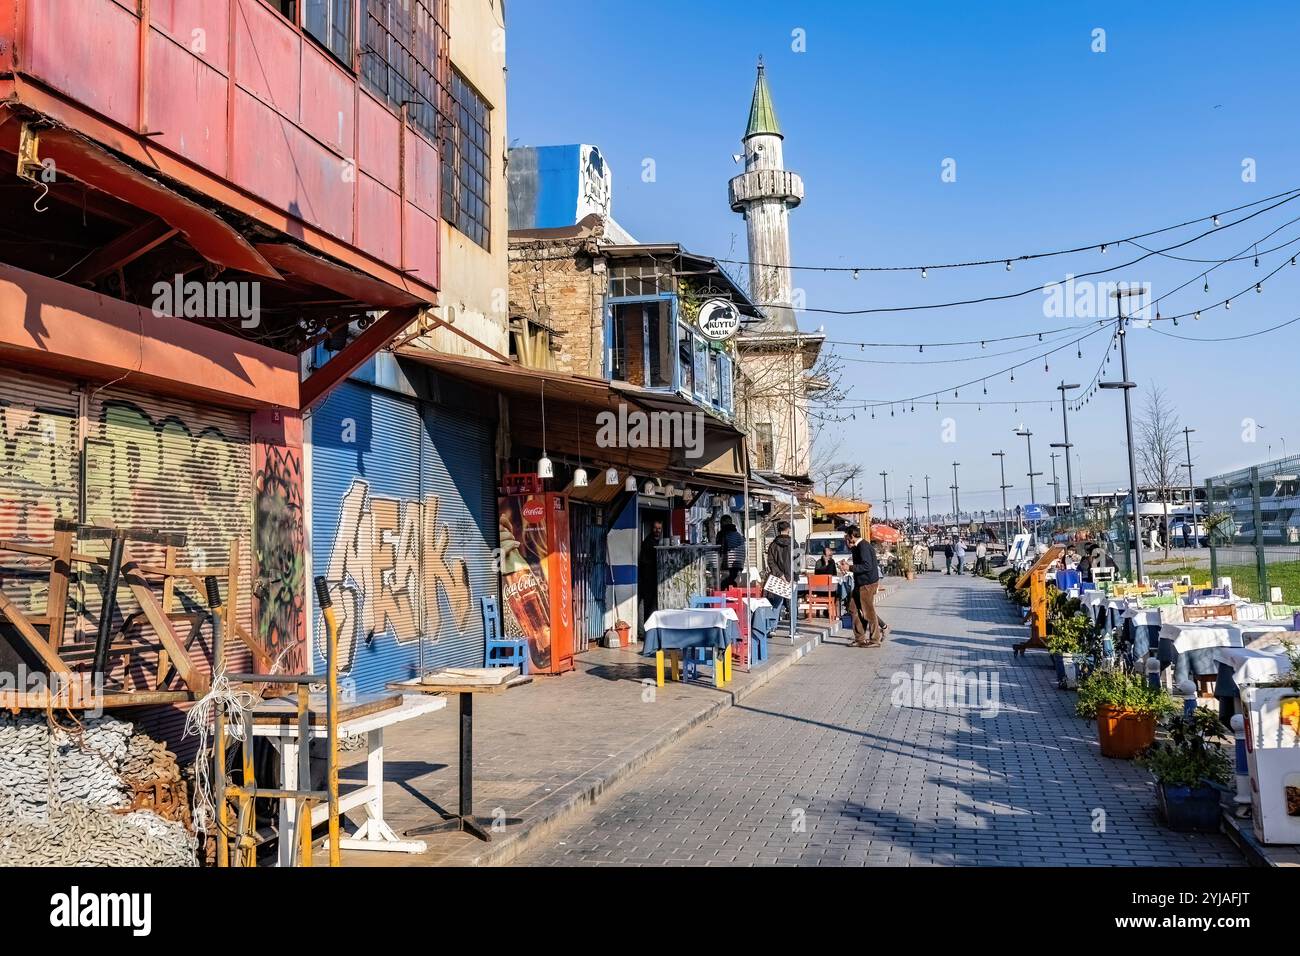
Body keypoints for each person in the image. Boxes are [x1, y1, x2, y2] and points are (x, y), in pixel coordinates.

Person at [844, 525, 887, 646]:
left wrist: (850, 567)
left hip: (867, 584)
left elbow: (867, 566)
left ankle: (875, 639)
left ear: (852, 535)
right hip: (860, 583)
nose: (846, 538)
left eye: (847, 536)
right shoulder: (857, 547)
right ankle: (860, 638)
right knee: (853, 609)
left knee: (868, 612)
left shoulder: (863, 546)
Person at [763, 521, 795, 621]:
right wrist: (794, 576)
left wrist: (780, 574)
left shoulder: (773, 545)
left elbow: (770, 562)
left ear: (778, 530)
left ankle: (772, 628)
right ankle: (792, 630)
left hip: (777, 577)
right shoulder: (794, 544)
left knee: (776, 603)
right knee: (792, 605)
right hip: (791, 576)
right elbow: (797, 562)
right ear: (789, 529)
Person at [638, 521, 663, 625]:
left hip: (655, 579)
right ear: (652, 528)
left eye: (659, 529)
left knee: (653, 605)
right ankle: (647, 629)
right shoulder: (648, 542)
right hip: (648, 580)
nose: (657, 531)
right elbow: (644, 561)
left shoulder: (658, 541)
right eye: (655, 528)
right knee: (649, 606)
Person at [715, 515, 745, 589]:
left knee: (722, 584)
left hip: (728, 564)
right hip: (739, 564)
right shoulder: (738, 535)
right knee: (731, 583)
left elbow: (720, 549)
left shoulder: (723, 533)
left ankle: (722, 597)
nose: (720, 524)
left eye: (721, 522)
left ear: (724, 522)